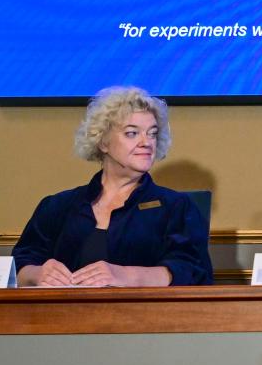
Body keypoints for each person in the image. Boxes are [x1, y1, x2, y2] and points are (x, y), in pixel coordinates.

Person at [13, 86, 213, 286]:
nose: (146, 142)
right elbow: (19, 266)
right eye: (132, 133)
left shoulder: (177, 207)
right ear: (103, 142)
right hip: (61, 315)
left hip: (145, 317)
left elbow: (194, 272)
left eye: (152, 133)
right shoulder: (57, 206)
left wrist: (126, 275)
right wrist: (39, 274)